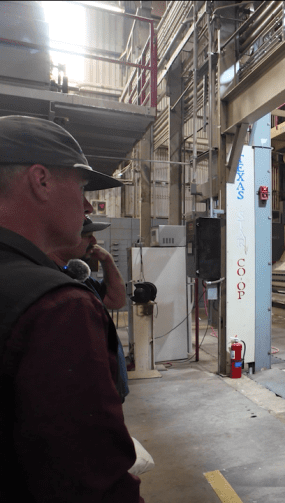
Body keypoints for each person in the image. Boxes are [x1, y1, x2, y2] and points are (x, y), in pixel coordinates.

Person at [0, 115, 143, 502]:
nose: (86, 204)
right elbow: (91, 480)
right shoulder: (57, 307)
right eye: (81, 187)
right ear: (41, 180)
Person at [48, 216, 130, 401]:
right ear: (65, 238)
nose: (94, 241)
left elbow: (116, 300)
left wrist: (108, 261)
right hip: (91, 394)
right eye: (87, 235)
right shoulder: (52, 283)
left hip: (108, 386)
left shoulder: (78, 276)